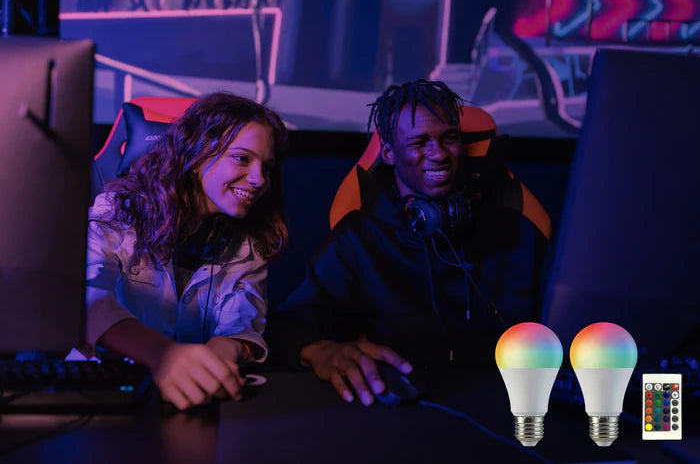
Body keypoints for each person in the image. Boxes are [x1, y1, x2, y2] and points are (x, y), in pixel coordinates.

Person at [266, 80, 543, 406]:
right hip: (410, 408)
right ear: (388, 153)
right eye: (419, 142)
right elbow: (291, 323)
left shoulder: (512, 229)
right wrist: (321, 350)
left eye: (449, 138)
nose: (439, 153)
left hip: (509, 403)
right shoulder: (360, 239)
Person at [84, 92, 288, 410]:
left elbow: (244, 323)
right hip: (104, 396)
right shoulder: (116, 211)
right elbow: (86, 296)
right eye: (242, 158)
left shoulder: (251, 238)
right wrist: (163, 355)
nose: (259, 179)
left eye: (268, 167)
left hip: (193, 401)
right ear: (196, 158)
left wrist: (222, 353)